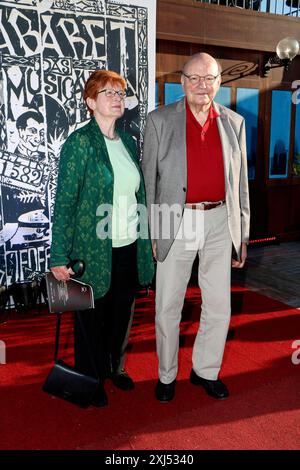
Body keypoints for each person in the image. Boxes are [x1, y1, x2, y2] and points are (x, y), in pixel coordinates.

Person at [141, 53, 250, 402]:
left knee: (219, 305)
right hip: (178, 221)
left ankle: (206, 371)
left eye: (209, 78)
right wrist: (155, 232)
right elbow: (149, 183)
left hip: (220, 221)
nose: (202, 85)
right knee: (168, 305)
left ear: (219, 82)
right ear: (183, 81)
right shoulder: (159, 121)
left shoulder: (234, 122)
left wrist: (242, 234)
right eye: (194, 78)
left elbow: (240, 184)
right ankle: (167, 375)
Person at [50, 70, 154, 407]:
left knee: (122, 313)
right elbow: (65, 202)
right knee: (90, 318)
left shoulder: (127, 142)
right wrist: (58, 256)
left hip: (127, 244)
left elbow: (136, 195)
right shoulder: (79, 144)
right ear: (90, 101)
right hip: (92, 248)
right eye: (107, 92)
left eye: (120, 93)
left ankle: (116, 368)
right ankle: (91, 379)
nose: (116, 98)